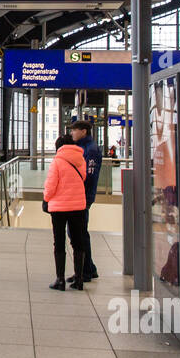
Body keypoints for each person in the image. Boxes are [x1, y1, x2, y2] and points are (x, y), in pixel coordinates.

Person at [43, 134, 89, 290]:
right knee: (78, 242)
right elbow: (83, 177)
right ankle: (79, 279)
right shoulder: (80, 159)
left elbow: (50, 185)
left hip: (59, 208)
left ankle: (60, 280)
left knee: (59, 242)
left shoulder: (57, 162)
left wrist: (46, 198)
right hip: (78, 206)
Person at [67, 119, 102, 282]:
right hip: (79, 195)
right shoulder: (83, 147)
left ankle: (85, 272)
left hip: (82, 197)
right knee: (78, 233)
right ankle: (88, 268)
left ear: (84, 131)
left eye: (74, 130)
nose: (72, 133)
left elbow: (89, 176)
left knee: (78, 233)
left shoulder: (91, 150)